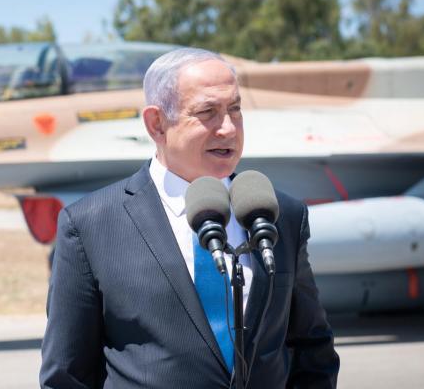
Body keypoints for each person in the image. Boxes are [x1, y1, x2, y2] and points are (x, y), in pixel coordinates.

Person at [40, 48, 340, 388]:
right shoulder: (91, 226)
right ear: (156, 123)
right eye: (207, 112)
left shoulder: (279, 215)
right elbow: (66, 376)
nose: (228, 128)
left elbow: (313, 350)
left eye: (235, 109)